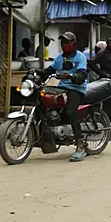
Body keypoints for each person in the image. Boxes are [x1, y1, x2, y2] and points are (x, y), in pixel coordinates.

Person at [41, 32, 90, 162]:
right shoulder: (59, 58)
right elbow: (50, 70)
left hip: (76, 88)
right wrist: (37, 73)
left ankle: (80, 145)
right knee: (42, 99)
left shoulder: (80, 57)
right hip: (59, 86)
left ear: (73, 44)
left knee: (70, 111)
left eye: (66, 42)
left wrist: (72, 77)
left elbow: (82, 74)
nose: (64, 45)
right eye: (62, 42)